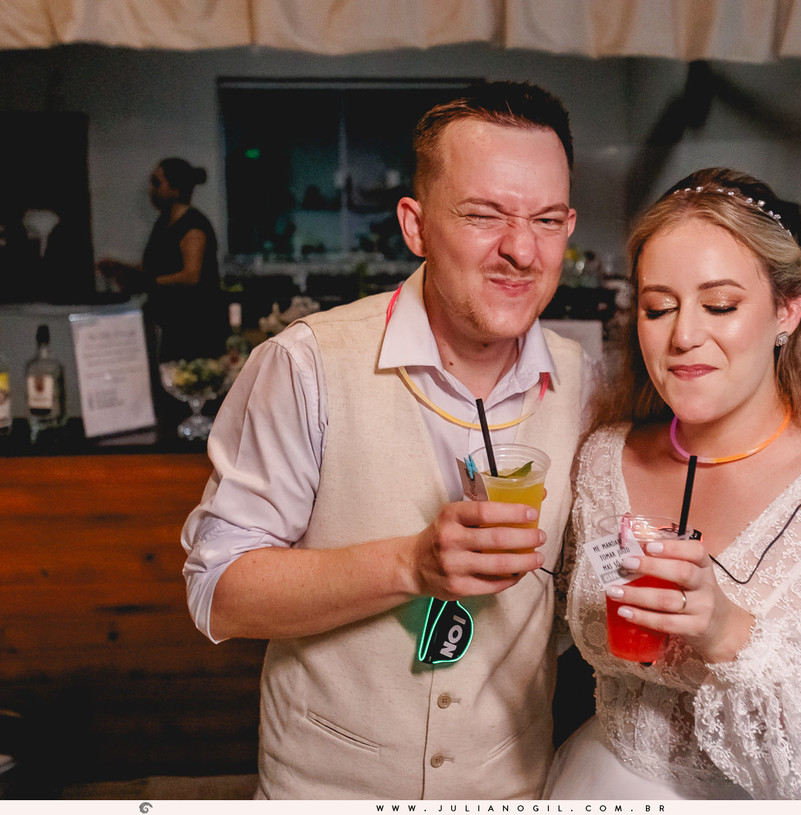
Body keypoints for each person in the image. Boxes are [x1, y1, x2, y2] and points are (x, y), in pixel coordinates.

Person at [180, 81, 592, 799]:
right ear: (415, 224)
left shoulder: (583, 379)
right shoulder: (306, 363)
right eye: (484, 214)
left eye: (547, 220)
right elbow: (218, 590)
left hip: (511, 783)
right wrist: (409, 563)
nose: (521, 250)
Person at [545, 167, 801, 800]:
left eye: (721, 305)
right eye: (659, 307)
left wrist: (730, 634)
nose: (683, 335)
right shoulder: (603, 459)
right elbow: (539, 627)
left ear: (787, 310)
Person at [97, 157, 224, 360]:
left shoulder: (193, 225)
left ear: (175, 189)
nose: (151, 190)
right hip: (171, 324)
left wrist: (147, 282)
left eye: (157, 183)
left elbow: (191, 275)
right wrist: (122, 268)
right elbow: (155, 265)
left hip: (194, 326)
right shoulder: (163, 222)